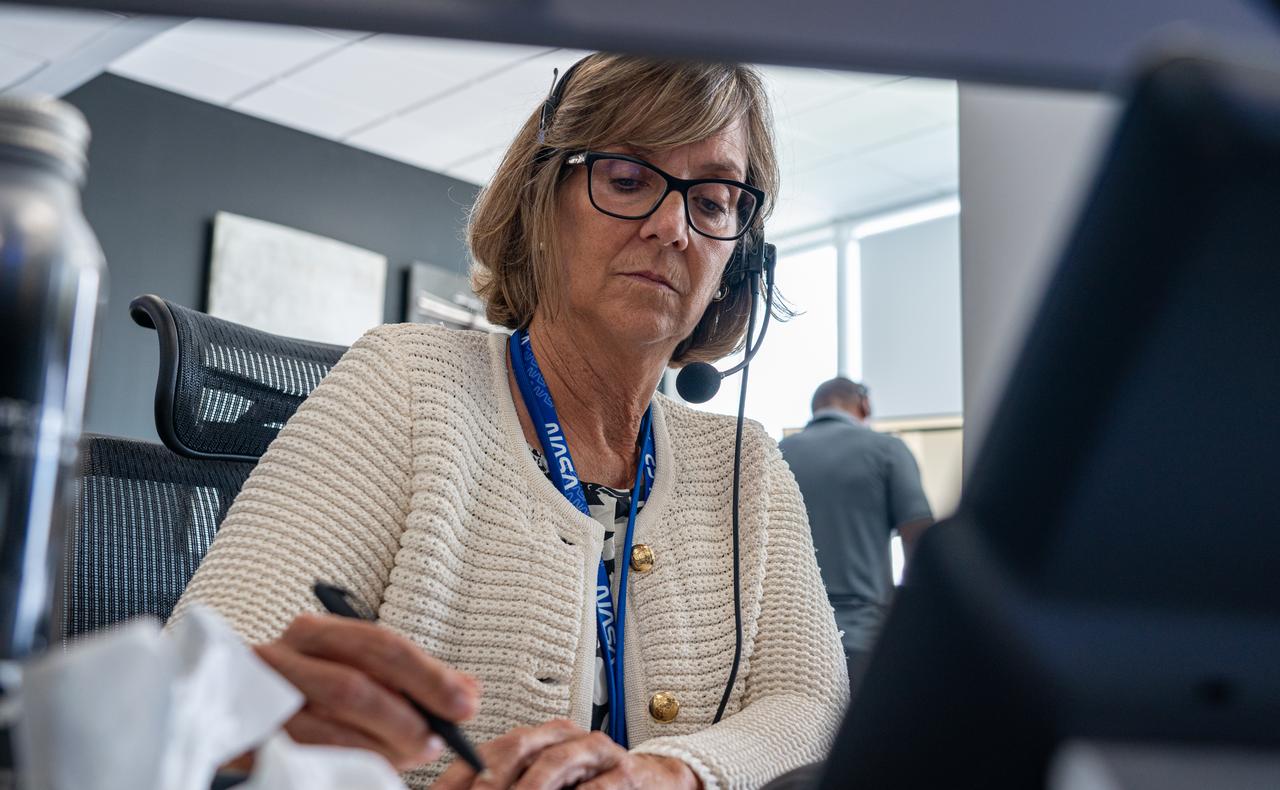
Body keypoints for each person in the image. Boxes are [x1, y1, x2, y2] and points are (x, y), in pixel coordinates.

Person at [169, 53, 848, 789]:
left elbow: (814, 705)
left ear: (738, 259)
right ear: (541, 200)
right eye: (626, 179)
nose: (671, 226)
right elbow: (207, 694)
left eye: (713, 201)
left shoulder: (748, 466)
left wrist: (673, 772)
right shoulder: (404, 385)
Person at [778, 378, 932, 687]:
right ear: (864, 405)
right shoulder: (887, 449)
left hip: (789, 647)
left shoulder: (778, 454)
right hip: (864, 640)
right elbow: (921, 540)